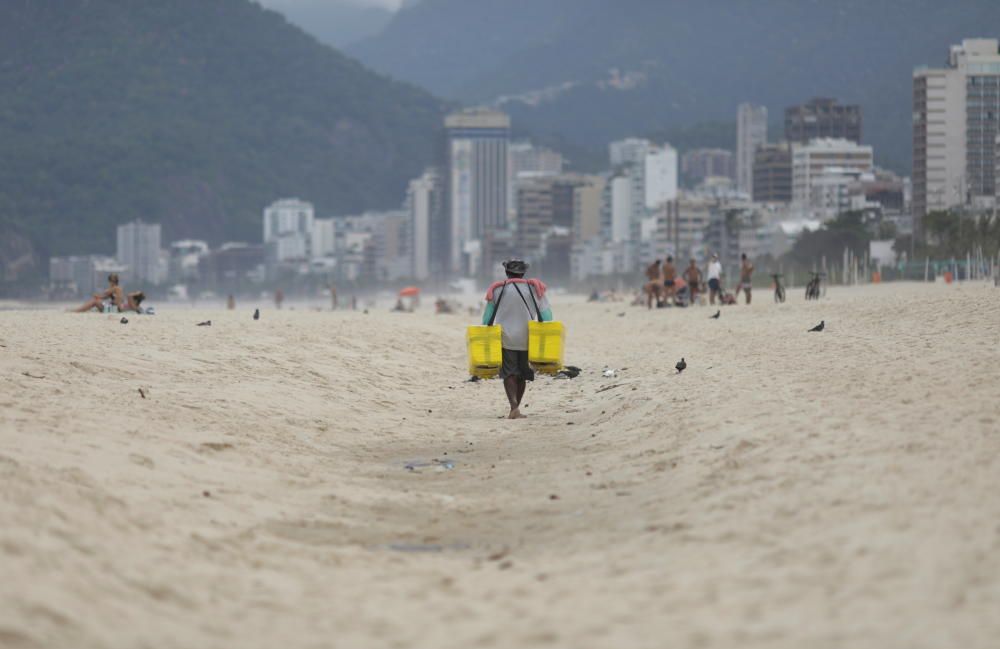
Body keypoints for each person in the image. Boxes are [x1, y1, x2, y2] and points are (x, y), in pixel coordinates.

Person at [481, 259, 553, 420]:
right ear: (523, 273)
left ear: (507, 272)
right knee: (522, 374)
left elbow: (487, 318)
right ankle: (516, 408)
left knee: (509, 373)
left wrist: (485, 331)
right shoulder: (535, 289)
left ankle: (513, 406)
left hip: (505, 338)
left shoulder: (498, 290)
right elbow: (547, 316)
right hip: (529, 337)